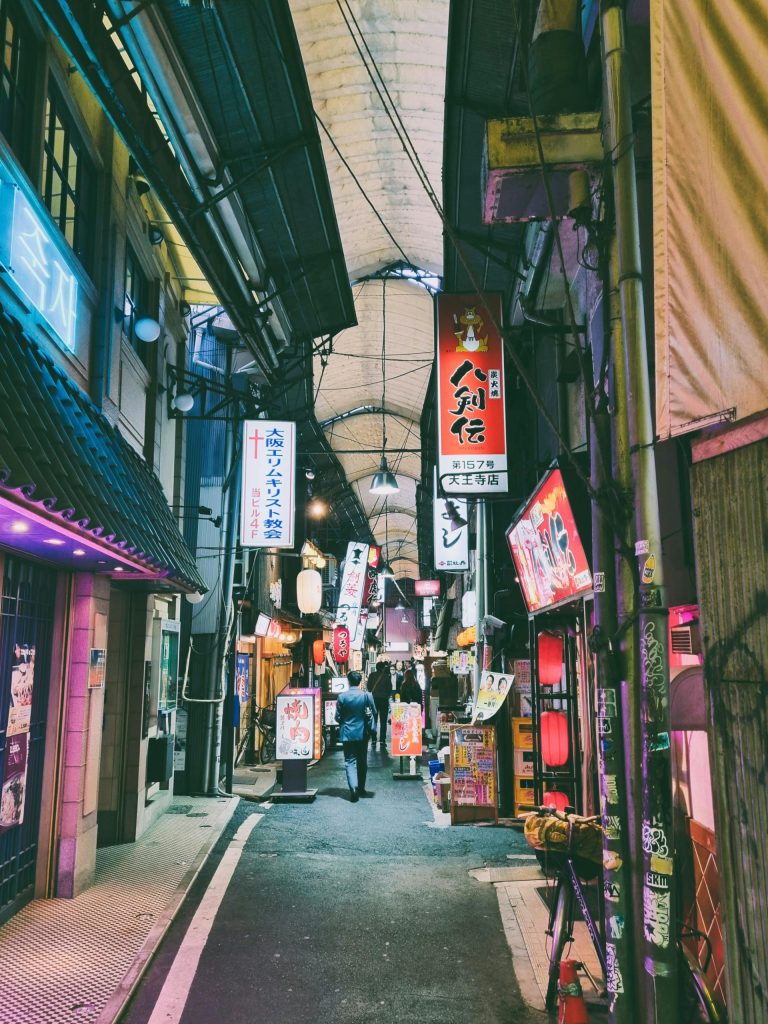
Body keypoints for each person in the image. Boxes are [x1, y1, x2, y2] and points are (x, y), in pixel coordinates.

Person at [335, 670, 377, 801]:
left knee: (349, 761)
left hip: (347, 733)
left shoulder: (342, 697)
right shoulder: (366, 696)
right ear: (360, 682)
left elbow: (337, 717)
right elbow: (374, 712)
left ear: (348, 681)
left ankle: (353, 788)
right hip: (363, 733)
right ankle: (362, 788)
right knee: (362, 760)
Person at [370, 661, 393, 747]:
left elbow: (369, 687)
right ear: (383, 668)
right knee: (383, 721)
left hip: (374, 700)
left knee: (374, 721)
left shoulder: (372, 675)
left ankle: (373, 740)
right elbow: (390, 688)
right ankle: (382, 741)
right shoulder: (386, 677)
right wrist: (386, 696)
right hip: (383, 700)